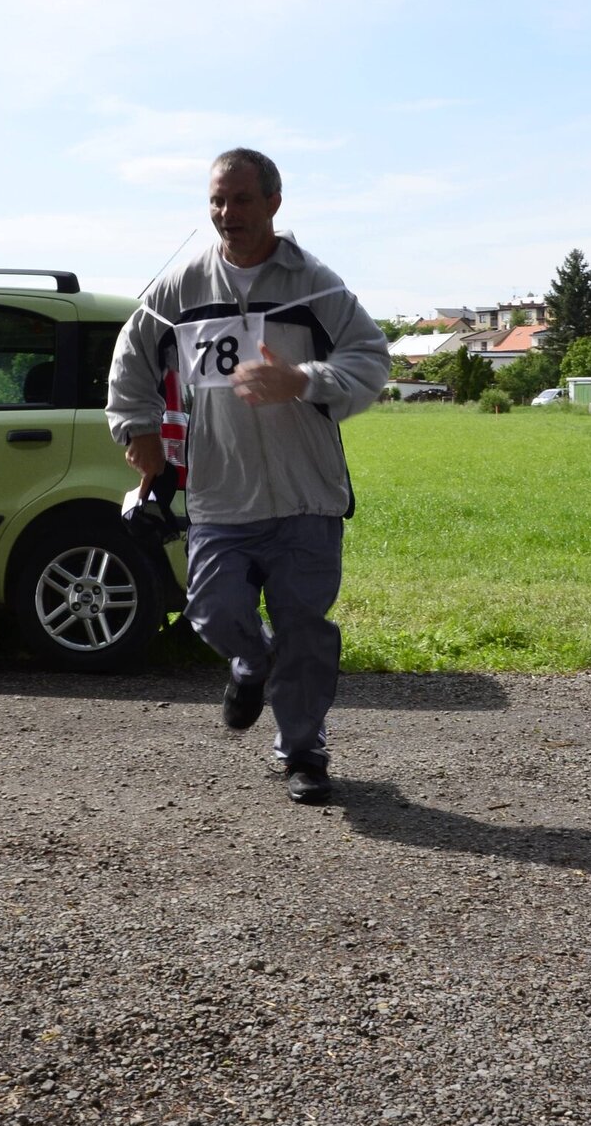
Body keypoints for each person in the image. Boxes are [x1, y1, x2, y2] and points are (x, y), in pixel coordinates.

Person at [106, 148, 389, 803]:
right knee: (212, 610)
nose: (226, 212)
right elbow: (131, 355)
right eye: (217, 200)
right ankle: (252, 662)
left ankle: (303, 753)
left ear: (273, 203)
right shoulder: (181, 286)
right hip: (219, 494)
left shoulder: (314, 284)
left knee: (304, 630)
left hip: (306, 496)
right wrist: (138, 429)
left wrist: (303, 379)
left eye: (240, 199)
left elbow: (371, 359)